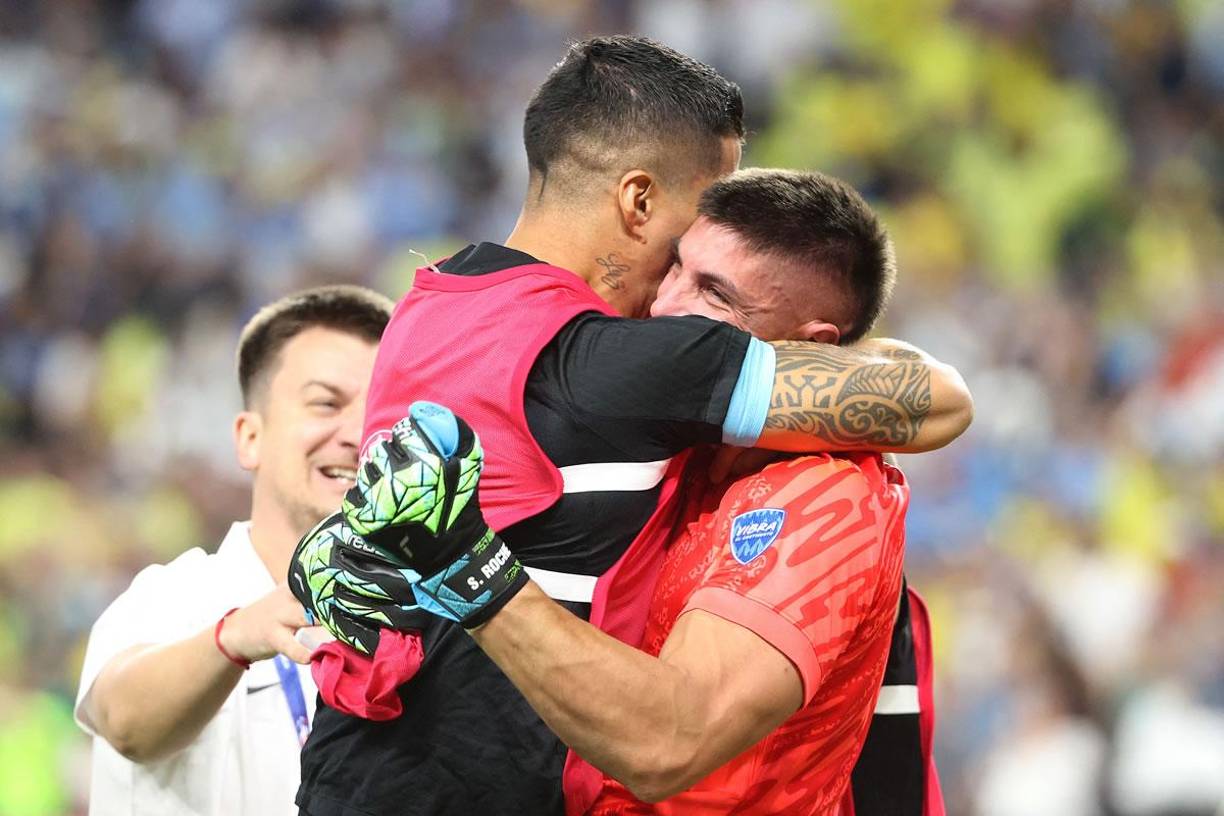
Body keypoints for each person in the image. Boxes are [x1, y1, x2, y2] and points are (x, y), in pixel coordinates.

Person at [292, 36, 971, 816]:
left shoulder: (430, 309)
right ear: (639, 202)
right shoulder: (627, 364)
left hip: (348, 774)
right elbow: (939, 401)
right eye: (694, 220)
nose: (674, 295)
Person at [74, 286, 392, 816]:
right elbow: (124, 722)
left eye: (381, 408)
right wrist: (236, 637)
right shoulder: (175, 596)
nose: (359, 433)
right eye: (325, 403)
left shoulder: (415, 624)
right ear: (249, 438)